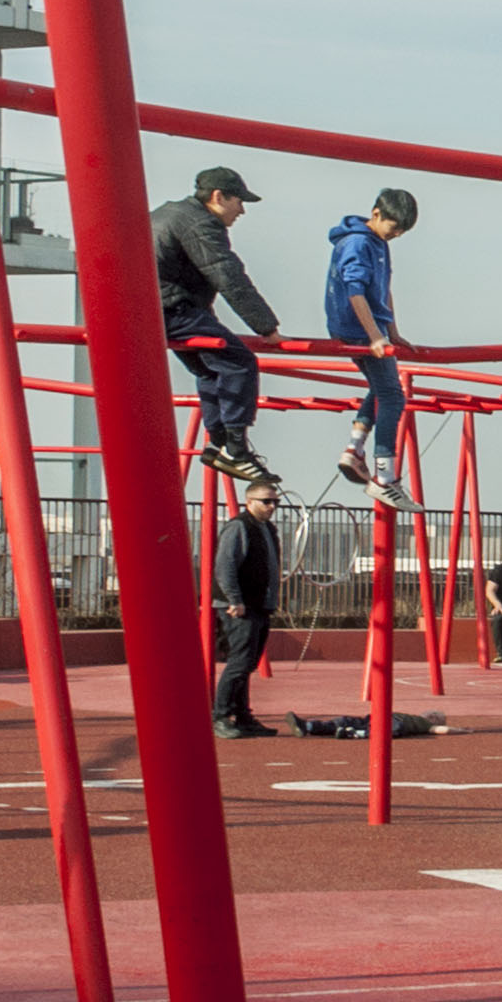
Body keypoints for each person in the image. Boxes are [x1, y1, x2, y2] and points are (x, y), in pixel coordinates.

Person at [154, 165, 283, 490]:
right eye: (238, 201)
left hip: (155, 306)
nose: (241, 210)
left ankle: (218, 443)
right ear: (218, 196)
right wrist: (267, 328)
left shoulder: (171, 214)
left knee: (211, 369)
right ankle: (236, 449)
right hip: (172, 307)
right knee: (239, 363)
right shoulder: (200, 223)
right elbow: (228, 276)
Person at [324, 189, 421, 507]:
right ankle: (385, 476)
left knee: (382, 389)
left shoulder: (378, 242)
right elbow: (355, 291)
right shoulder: (358, 242)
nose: (396, 235)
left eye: (402, 231)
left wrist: (392, 331)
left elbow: (383, 289)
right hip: (357, 327)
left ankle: (354, 449)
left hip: (370, 327)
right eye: (394, 227)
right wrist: (374, 336)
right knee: (393, 396)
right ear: (376, 213)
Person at [210, 477, 283, 739]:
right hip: (240, 606)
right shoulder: (238, 527)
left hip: (260, 605)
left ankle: (242, 715)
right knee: (239, 662)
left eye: (275, 501)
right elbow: (225, 566)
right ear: (249, 501)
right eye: (266, 501)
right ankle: (220, 716)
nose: (272, 506)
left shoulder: (267, 529)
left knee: (248, 662)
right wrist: (234, 600)